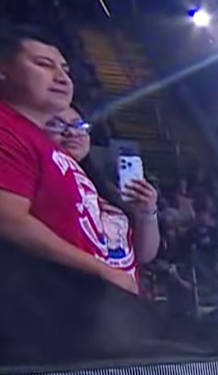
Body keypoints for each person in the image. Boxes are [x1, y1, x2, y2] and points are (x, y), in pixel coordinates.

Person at [0, 25, 136, 294]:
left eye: (65, 70)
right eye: (44, 64)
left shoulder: (45, 143)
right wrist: (102, 271)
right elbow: (1, 219)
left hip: (69, 299)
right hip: (18, 299)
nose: (62, 78)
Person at [45, 105, 160, 290]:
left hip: (122, 297)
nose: (71, 133)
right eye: (57, 125)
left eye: (78, 125)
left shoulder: (104, 188)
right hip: (73, 291)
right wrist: (102, 271)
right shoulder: (43, 180)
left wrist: (146, 212)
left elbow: (143, 255)